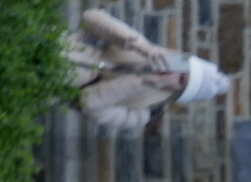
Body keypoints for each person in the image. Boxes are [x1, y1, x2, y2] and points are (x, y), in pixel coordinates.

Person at [64, 9, 234, 132]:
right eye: (181, 69)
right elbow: (90, 18)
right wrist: (140, 45)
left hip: (54, 85)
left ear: (178, 93)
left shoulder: (141, 115)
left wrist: (141, 82)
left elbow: (88, 102)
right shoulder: (143, 51)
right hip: (58, 47)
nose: (173, 75)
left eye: (181, 80)